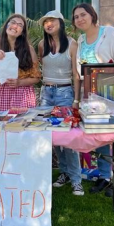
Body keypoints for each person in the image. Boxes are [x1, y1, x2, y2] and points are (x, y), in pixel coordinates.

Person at [72, 3, 114, 197]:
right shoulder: (80, 40)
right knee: (100, 138)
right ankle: (105, 176)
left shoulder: (110, 33)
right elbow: (81, 72)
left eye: (83, 14)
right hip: (92, 96)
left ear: (92, 15)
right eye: (76, 17)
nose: (80, 19)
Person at [38, 10, 84, 197]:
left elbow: (76, 74)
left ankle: (76, 180)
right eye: (45, 21)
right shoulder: (42, 45)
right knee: (54, 138)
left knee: (69, 138)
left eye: (52, 20)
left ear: (60, 22)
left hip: (65, 92)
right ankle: (64, 173)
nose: (48, 24)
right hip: (46, 93)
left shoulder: (72, 44)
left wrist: (76, 99)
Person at [0, 14, 41, 111]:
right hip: (1, 95)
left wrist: (20, 82)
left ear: (22, 32)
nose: (15, 26)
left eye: (20, 25)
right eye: (13, 22)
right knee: (0, 124)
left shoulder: (29, 50)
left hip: (24, 95)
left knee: (23, 124)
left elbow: (37, 78)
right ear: (6, 26)